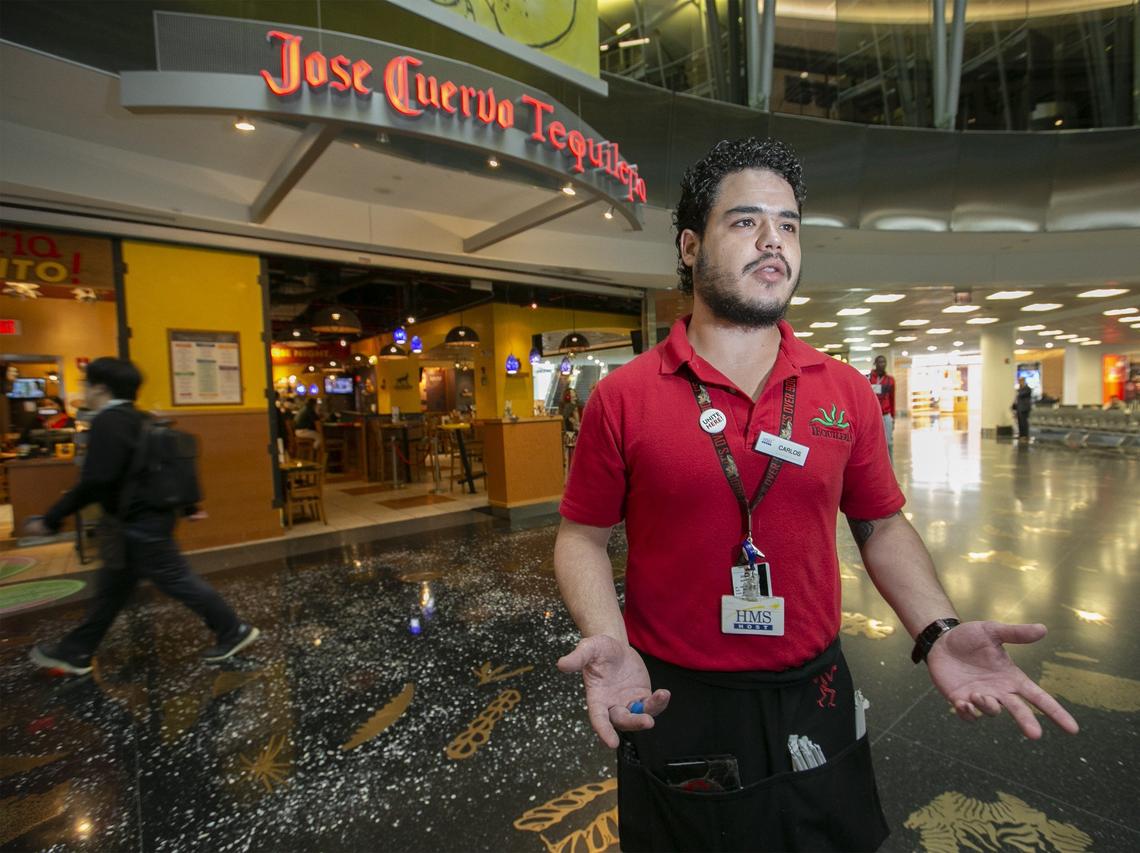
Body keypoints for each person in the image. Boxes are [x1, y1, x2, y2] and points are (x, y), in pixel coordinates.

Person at [553, 138, 1078, 852]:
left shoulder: (844, 391)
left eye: (789, 224)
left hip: (817, 689)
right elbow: (581, 534)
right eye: (744, 221)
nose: (774, 240)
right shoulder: (625, 396)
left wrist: (936, 630)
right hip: (677, 693)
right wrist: (608, 639)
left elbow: (881, 525)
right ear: (687, 244)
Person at [24, 357, 260, 676]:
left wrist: (52, 519)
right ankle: (76, 650)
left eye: (86, 385)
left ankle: (233, 630)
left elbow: (95, 480)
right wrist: (188, 507)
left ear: (101, 388)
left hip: (138, 524)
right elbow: (160, 470)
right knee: (113, 588)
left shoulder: (109, 422)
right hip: (142, 521)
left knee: (175, 580)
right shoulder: (141, 419)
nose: (85, 391)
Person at [868, 354, 896, 459]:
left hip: (886, 415)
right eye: (880, 362)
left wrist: (893, 417)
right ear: (875, 364)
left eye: (884, 362)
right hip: (873, 416)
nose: (882, 364)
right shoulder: (869, 379)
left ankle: (890, 467)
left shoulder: (890, 380)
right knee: (873, 442)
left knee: (889, 442)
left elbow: (893, 399)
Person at [1013, 377, 1033, 441]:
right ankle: (1021, 435)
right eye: (1019, 381)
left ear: (1023, 381)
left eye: (1020, 381)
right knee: (1020, 422)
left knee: (1024, 422)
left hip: (1024, 408)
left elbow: (1021, 394)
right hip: (1019, 408)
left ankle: (1025, 435)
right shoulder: (1020, 389)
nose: (1019, 382)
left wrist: (1018, 390)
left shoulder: (1027, 389)